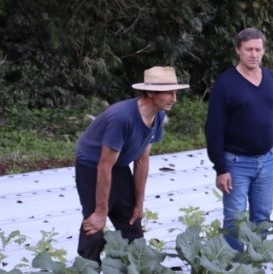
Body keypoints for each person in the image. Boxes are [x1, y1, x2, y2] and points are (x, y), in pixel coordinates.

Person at [74, 66, 189, 263]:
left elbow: (142, 159)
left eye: (175, 92)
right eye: (168, 92)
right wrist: (102, 211)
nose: (174, 98)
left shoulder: (158, 115)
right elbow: (104, 166)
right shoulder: (123, 117)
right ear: (151, 92)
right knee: (94, 222)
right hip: (92, 165)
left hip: (117, 165)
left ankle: (139, 270)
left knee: (132, 218)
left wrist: (139, 202)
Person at [205, 27, 273, 250]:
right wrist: (220, 168)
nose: (253, 54)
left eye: (258, 49)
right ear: (238, 50)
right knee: (234, 219)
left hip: (266, 161)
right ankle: (232, 270)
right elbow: (213, 129)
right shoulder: (225, 84)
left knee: (263, 217)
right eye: (248, 49)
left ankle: (255, 264)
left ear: (263, 51)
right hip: (236, 163)